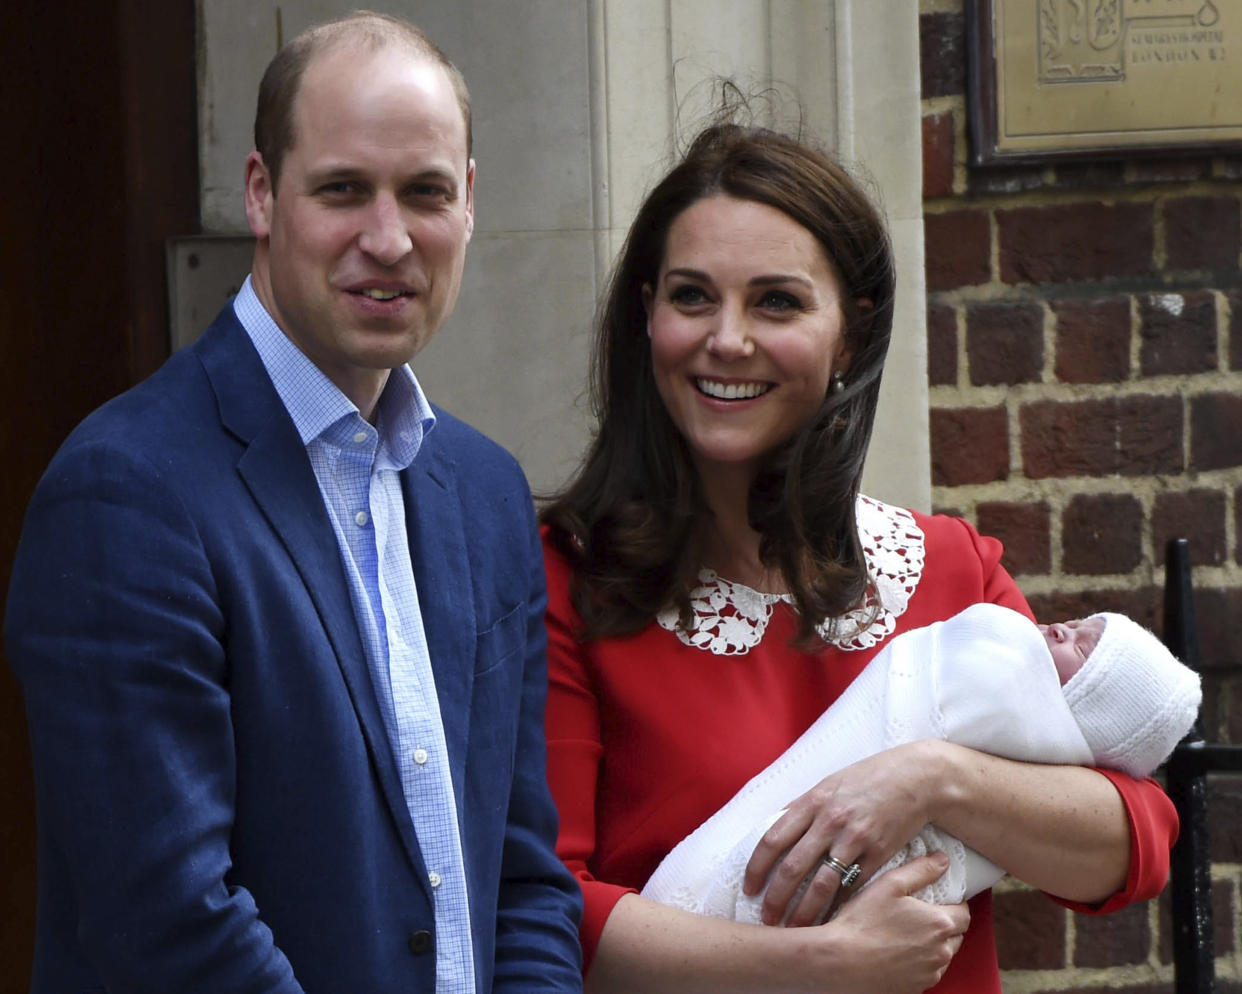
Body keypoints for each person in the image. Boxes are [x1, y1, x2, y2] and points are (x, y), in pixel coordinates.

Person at [5, 12, 581, 994]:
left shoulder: (484, 493)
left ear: (472, 201)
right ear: (263, 194)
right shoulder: (126, 491)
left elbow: (521, 879)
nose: (389, 238)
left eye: (426, 192)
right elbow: (168, 923)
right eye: (344, 190)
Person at [539, 120, 1178, 994]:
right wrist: (818, 968)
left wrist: (932, 779)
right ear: (647, 314)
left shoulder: (951, 571)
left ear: (850, 334)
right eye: (692, 296)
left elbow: (1129, 844)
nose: (727, 338)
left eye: (777, 301)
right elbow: (546, 911)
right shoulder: (563, 579)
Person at [642, 603, 1201, 923]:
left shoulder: (960, 565)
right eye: (1081, 625)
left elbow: (1140, 833)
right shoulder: (576, 580)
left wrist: (931, 778)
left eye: (1085, 651)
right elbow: (561, 898)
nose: (1060, 629)